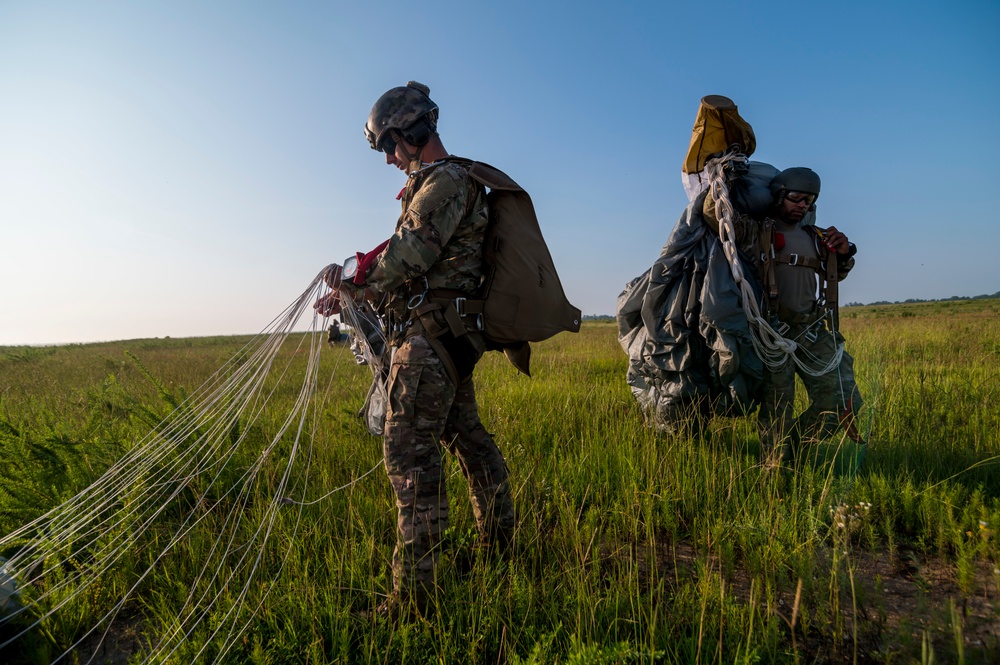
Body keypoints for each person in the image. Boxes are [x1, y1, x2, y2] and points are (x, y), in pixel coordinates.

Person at [314, 82, 514, 617]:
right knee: (468, 441)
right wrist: (351, 298)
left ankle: (417, 600)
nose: (388, 160)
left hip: (432, 343)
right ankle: (501, 549)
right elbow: (413, 272)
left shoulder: (446, 181)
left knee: (409, 456)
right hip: (446, 336)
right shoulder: (443, 183)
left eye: (388, 147)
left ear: (410, 133)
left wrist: (353, 278)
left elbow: (410, 256)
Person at [704, 166, 865, 464]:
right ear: (778, 196)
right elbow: (716, 215)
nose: (803, 205)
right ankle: (775, 468)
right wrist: (720, 178)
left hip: (813, 330)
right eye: (796, 198)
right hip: (772, 332)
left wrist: (843, 253)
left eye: (809, 201)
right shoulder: (756, 231)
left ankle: (800, 448)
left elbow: (836, 274)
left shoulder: (817, 236)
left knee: (846, 398)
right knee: (778, 409)